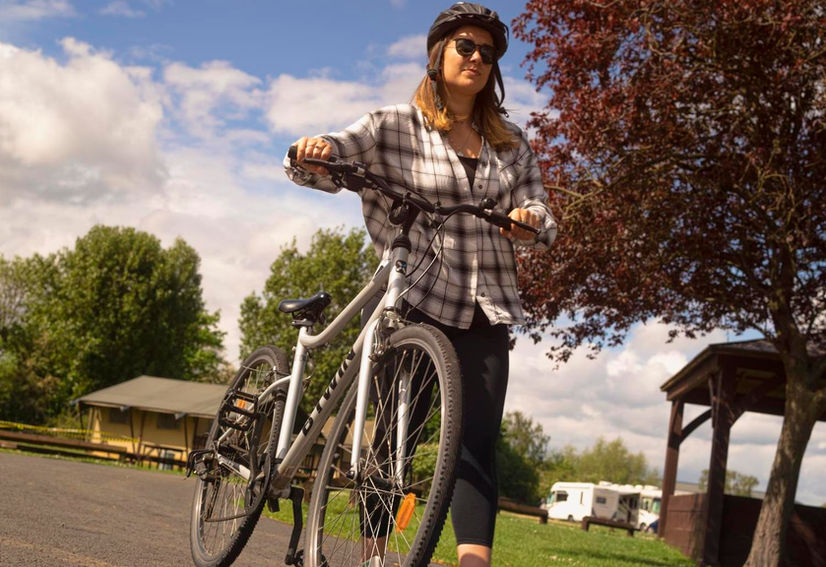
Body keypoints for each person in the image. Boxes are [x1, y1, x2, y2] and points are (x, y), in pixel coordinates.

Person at [285, 3, 557, 566]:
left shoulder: (511, 145)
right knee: (395, 441)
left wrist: (531, 220)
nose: (477, 58)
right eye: (465, 46)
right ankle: (377, 556)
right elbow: (331, 155)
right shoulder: (393, 125)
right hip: (414, 299)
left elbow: (541, 212)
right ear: (438, 56)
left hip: (487, 306)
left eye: (488, 52)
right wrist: (314, 151)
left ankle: (473, 562)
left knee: (476, 443)